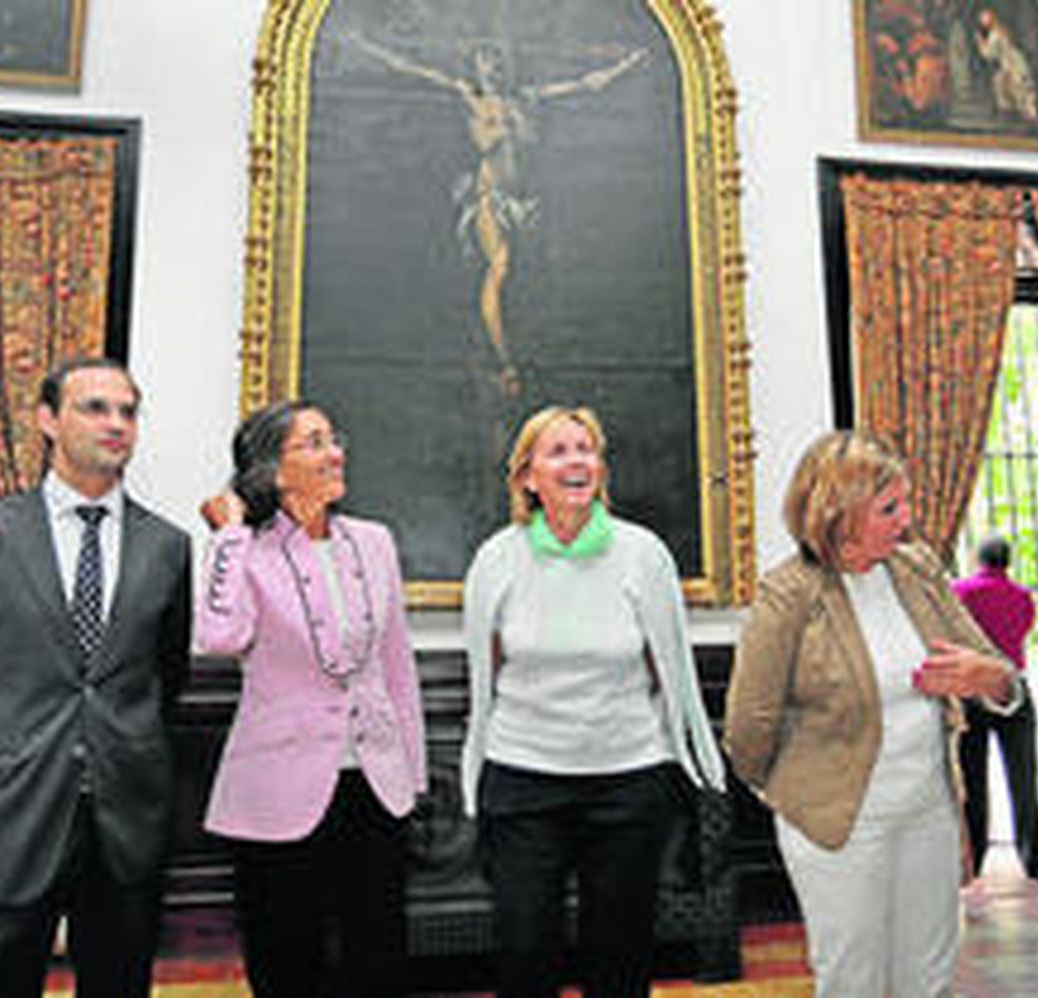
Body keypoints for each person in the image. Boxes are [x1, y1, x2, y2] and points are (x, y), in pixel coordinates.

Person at [0, 357, 192, 998]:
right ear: (47, 420)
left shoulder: (167, 547)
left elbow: (163, 678)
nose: (116, 423)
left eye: (128, 410)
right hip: (5, 816)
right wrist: (8, 743)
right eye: (95, 407)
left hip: (126, 822)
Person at [724, 430, 1020, 998]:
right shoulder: (788, 594)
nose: (907, 520)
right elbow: (747, 728)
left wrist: (993, 680)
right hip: (836, 823)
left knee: (928, 978)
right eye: (890, 508)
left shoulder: (917, 569)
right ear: (840, 514)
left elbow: (992, 669)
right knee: (851, 979)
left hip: (928, 812)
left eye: (905, 503)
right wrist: (790, 793)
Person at [460, 404, 725, 998]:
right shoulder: (497, 560)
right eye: (558, 451)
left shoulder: (643, 554)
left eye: (587, 450)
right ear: (528, 477)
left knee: (622, 953)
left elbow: (668, 668)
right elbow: (489, 670)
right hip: (523, 780)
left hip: (627, 782)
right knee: (524, 949)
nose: (577, 461)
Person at [195, 401, 426, 998]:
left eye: (334, 439)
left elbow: (395, 664)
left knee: (378, 956)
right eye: (315, 442)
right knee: (286, 955)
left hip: (375, 782)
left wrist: (413, 778)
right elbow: (219, 636)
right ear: (274, 470)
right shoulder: (249, 551)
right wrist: (228, 535)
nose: (335, 453)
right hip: (279, 787)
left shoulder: (375, 542)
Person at [350, 33, 645, 396]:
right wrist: (370, 49)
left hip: (525, 201)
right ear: (477, 68)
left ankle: (533, 355)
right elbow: (415, 71)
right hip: (490, 196)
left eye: (497, 62)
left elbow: (585, 85)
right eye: (485, 62)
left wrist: (625, 66)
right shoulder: (471, 97)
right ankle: (504, 359)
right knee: (500, 266)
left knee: (537, 276)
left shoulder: (527, 99)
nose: (492, 69)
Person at [953, 535, 1038, 880]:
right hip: (1013, 686)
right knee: (1024, 777)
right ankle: (1033, 859)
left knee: (974, 779)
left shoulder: (961, 591)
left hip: (973, 688)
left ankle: (973, 859)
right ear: (1007, 561)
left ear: (978, 559)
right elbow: (1022, 631)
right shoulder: (1023, 596)